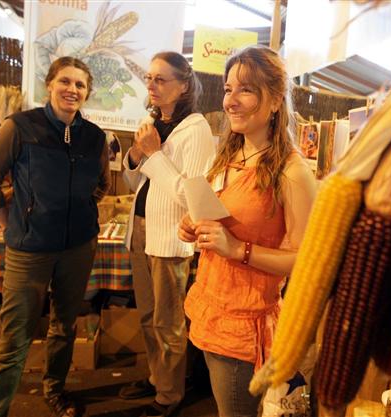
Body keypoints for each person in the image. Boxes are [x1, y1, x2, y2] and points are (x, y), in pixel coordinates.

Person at [179, 45, 317, 417]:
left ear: (274, 101)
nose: (230, 101)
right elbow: (223, 218)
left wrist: (238, 249)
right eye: (227, 89)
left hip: (244, 328)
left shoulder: (293, 172)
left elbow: (307, 260)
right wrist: (194, 224)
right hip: (210, 308)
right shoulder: (229, 153)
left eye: (245, 90)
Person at [0, 56, 111, 417]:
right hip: (30, 250)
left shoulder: (95, 137)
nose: (73, 89)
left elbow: (101, 186)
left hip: (78, 247)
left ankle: (55, 391)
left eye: (80, 85)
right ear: (50, 85)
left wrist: (81, 210)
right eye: (65, 81)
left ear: (87, 92)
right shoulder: (20, 127)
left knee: (64, 326)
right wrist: (12, 224)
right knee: (15, 337)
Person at [119, 51, 215, 417]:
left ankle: (170, 395)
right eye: (149, 78)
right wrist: (134, 156)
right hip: (140, 230)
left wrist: (154, 155)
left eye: (161, 79)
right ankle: (157, 376)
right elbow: (135, 182)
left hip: (171, 238)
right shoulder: (152, 122)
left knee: (169, 322)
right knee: (147, 316)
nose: (152, 85)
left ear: (184, 85)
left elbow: (190, 197)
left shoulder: (197, 130)